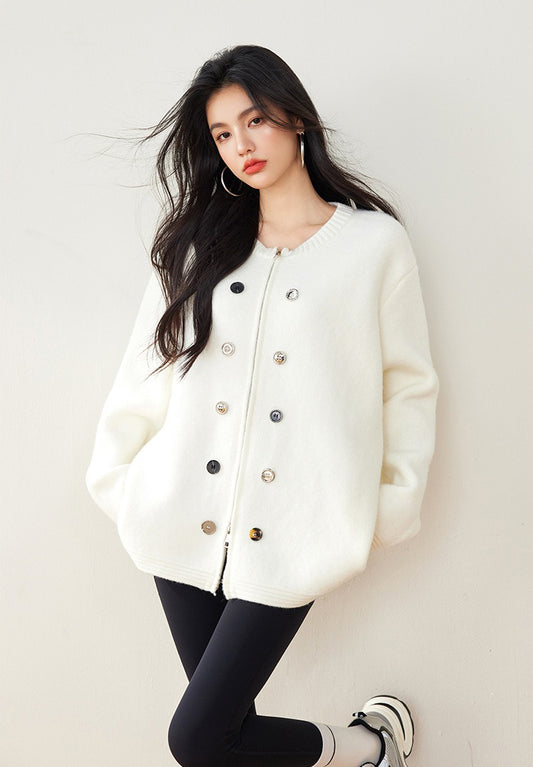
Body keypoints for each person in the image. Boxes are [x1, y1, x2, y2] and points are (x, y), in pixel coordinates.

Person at [85, 44, 439, 767]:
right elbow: (145, 371)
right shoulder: (197, 245)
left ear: (295, 118)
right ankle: (369, 750)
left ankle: (367, 748)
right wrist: (120, 481)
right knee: (222, 744)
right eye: (222, 133)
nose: (241, 145)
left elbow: (406, 385)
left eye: (255, 121)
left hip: (297, 528)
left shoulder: (372, 246)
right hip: (178, 513)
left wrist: (386, 505)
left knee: (198, 740)